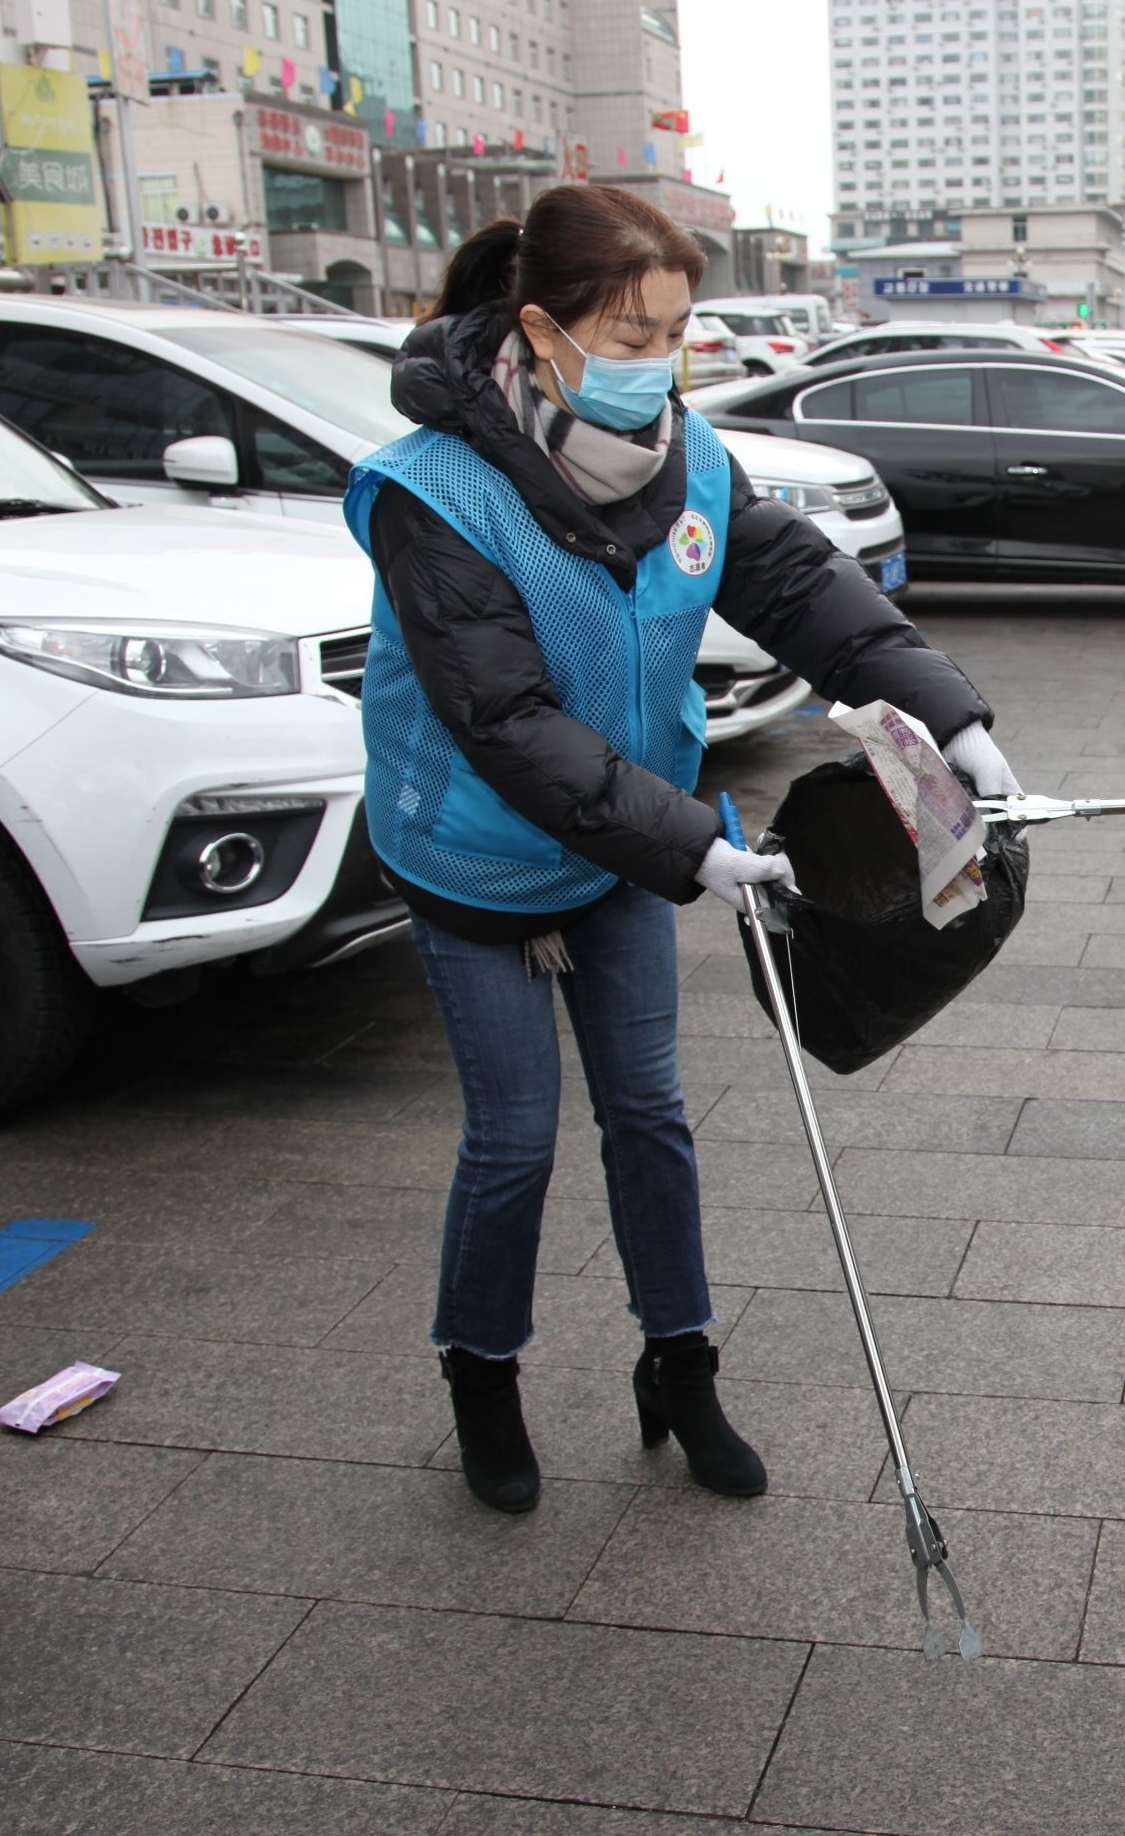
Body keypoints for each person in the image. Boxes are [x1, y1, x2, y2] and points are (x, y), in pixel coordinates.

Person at [350, 184, 1018, 1514]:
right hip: (475, 854)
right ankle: (482, 1370)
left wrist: (951, 723)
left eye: (674, 331)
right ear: (540, 333)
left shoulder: (689, 461)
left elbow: (805, 594)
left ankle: (681, 1366)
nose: (658, 360)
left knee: (651, 1115)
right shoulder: (433, 497)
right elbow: (509, 724)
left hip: (624, 851)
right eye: (632, 331)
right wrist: (694, 846)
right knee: (515, 1136)